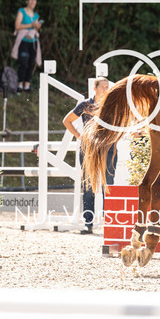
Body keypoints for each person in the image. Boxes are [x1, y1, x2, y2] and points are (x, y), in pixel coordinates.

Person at [63, 77, 117, 234]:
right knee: (88, 185)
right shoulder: (85, 105)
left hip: (109, 148)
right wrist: (79, 135)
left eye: (107, 87)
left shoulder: (112, 104)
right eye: (102, 87)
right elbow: (67, 121)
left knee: (108, 185)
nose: (105, 89)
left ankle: (109, 224)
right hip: (89, 149)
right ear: (95, 88)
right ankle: (88, 223)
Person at [11, 0, 43, 93]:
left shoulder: (36, 15)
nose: (33, 2)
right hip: (23, 41)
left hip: (33, 42)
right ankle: (19, 86)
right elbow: (17, 26)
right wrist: (31, 25)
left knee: (31, 64)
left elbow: (35, 29)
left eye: (35, 0)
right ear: (27, 1)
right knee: (23, 63)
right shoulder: (21, 11)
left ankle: (27, 86)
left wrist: (37, 27)